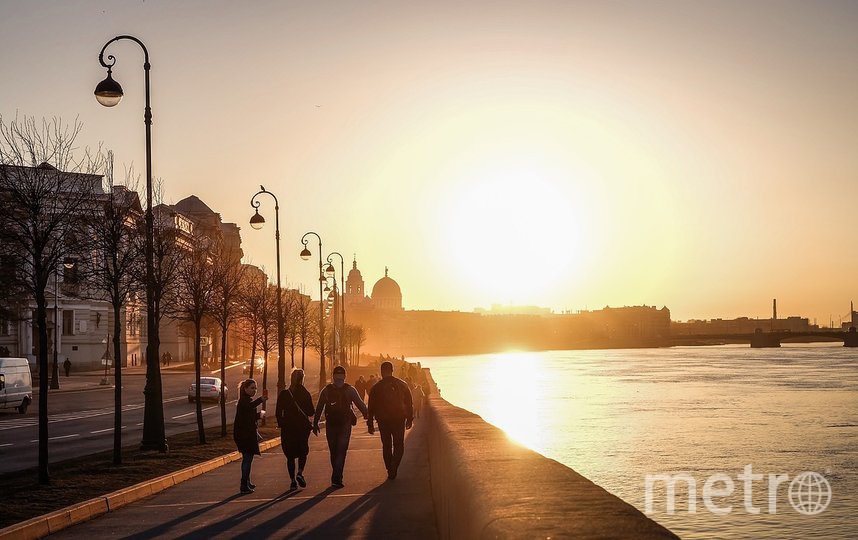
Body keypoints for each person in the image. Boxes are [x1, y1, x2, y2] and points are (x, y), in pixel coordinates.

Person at [313, 365, 367, 488]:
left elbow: (319, 408)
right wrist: (368, 416)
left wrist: (315, 423)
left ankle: (336, 475)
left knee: (333, 450)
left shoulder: (326, 390)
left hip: (330, 424)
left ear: (333, 376)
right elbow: (361, 404)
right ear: (345, 376)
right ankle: (337, 476)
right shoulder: (350, 390)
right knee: (342, 451)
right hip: (345, 425)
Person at [367, 361, 413, 480]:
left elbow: (371, 407)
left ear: (381, 372)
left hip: (383, 420)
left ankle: (389, 469)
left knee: (386, 445)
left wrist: (370, 424)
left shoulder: (376, 388)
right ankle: (394, 467)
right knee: (399, 445)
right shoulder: (402, 385)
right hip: (399, 419)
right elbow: (409, 403)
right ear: (392, 370)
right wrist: (409, 418)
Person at [276, 368, 315, 490]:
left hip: (288, 428)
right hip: (302, 428)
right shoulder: (305, 393)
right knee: (303, 451)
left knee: (290, 455)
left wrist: (281, 423)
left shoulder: (284, 394)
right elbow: (310, 411)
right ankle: (300, 472)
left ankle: (292, 481)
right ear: (302, 379)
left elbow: (278, 411)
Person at [233, 378, 267, 494]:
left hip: (247, 434)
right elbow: (248, 408)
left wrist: (259, 416)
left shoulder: (247, 401)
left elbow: (249, 417)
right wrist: (260, 400)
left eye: (255, 388)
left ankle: (247, 481)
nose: (254, 390)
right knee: (247, 459)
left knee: (248, 459)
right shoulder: (244, 401)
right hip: (244, 435)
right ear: (245, 389)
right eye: (252, 388)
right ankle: (243, 485)